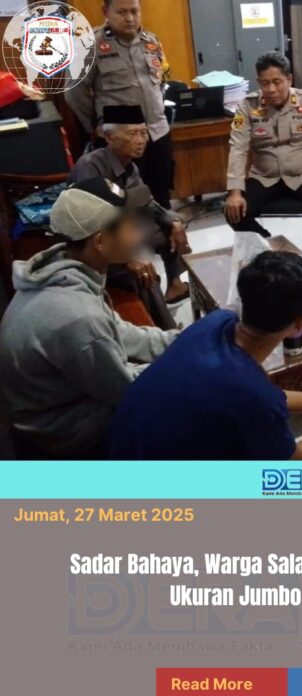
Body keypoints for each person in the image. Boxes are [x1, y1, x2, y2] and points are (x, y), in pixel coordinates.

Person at [109, 252, 302, 460]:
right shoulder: (252, 395)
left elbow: (258, 396)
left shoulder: (217, 321)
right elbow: (294, 463)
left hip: (123, 448)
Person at [0, 178, 178, 459]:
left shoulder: (64, 271)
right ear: (101, 241)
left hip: (60, 401)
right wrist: (185, 362)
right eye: (131, 227)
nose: (139, 235)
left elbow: (119, 331)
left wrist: (181, 341)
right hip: (61, 433)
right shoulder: (77, 316)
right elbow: (125, 389)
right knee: (182, 411)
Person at [69, 104, 191, 322]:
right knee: (145, 276)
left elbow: (146, 201)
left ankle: (175, 286)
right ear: (109, 136)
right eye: (132, 134)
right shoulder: (90, 167)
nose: (140, 140)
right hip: (94, 245)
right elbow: (94, 227)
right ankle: (165, 331)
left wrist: (174, 221)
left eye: (143, 133)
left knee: (169, 229)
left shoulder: (130, 166)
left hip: (122, 228)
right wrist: (129, 258)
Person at [224, 51, 302, 238]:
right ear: (258, 82)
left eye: (277, 82)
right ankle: (268, 247)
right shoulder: (248, 106)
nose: (271, 89)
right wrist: (235, 191)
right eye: (265, 83)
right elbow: (237, 147)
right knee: (233, 211)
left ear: (289, 79)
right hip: (264, 177)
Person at [64, 0, 173, 209]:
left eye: (134, 11)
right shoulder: (89, 45)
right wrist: (97, 126)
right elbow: (74, 93)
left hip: (157, 133)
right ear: (106, 11)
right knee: (126, 204)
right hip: (121, 140)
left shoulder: (151, 41)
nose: (130, 18)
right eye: (122, 12)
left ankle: (165, 229)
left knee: (161, 196)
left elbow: (161, 82)